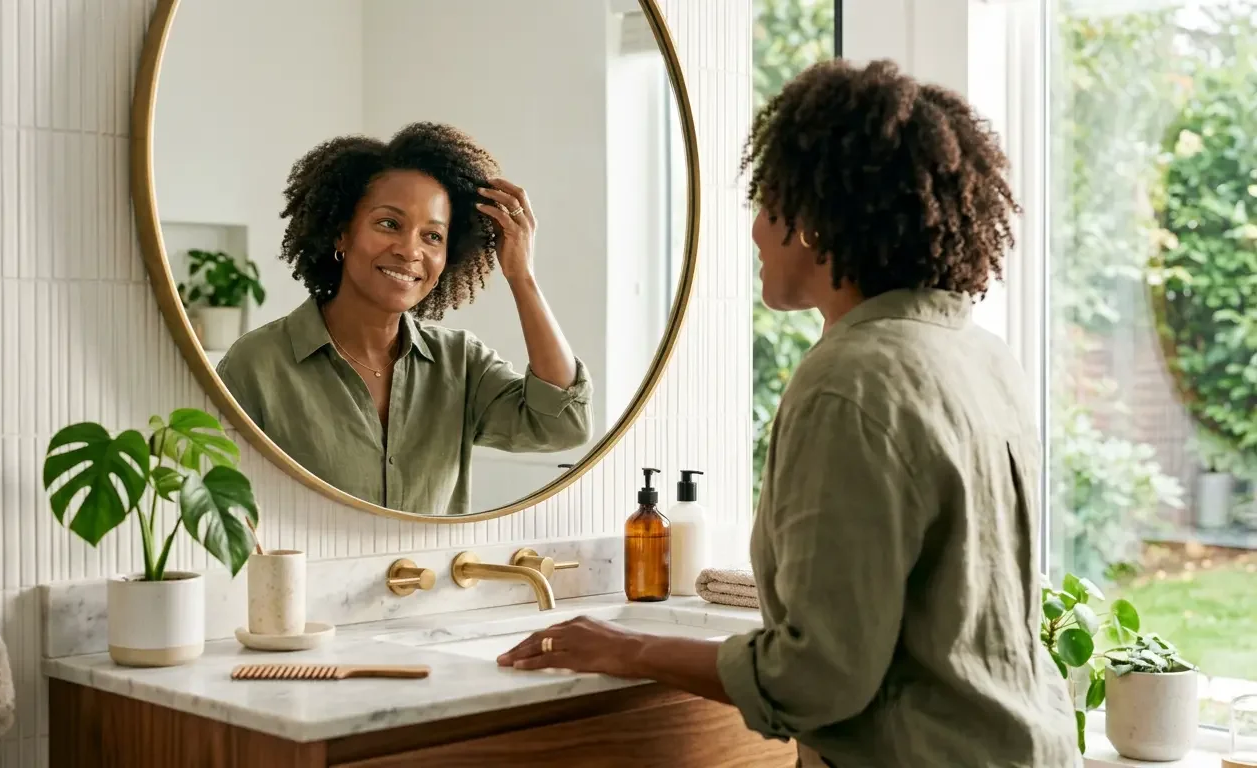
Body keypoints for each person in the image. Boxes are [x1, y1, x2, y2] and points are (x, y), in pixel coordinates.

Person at [497, 60, 1080, 766]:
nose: (754, 232)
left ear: (813, 221)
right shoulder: (982, 356)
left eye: (768, 204)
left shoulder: (850, 380)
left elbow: (816, 678)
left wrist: (627, 648)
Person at [217, 123, 593, 516]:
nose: (409, 250)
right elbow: (222, 506)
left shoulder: (460, 363)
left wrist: (521, 275)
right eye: (389, 224)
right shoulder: (257, 364)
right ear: (342, 233)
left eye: (433, 236)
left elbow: (564, 424)